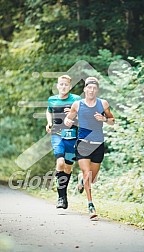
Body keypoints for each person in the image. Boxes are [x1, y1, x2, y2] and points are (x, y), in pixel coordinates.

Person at [64, 77, 115, 219]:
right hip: (83, 144)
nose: (91, 90)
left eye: (94, 88)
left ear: (97, 90)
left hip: (98, 144)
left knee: (92, 178)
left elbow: (112, 121)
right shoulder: (77, 104)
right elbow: (68, 119)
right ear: (85, 89)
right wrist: (67, 121)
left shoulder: (103, 103)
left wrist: (104, 119)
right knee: (87, 173)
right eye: (89, 88)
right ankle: (90, 204)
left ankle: (81, 181)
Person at [46, 75, 81, 209]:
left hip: (72, 136)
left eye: (66, 85)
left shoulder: (76, 99)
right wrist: (49, 123)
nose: (63, 87)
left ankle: (63, 194)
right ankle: (61, 197)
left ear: (70, 86)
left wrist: (73, 114)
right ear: (57, 86)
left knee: (67, 166)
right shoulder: (52, 99)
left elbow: (84, 115)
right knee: (60, 162)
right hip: (57, 134)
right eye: (61, 84)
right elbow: (48, 111)